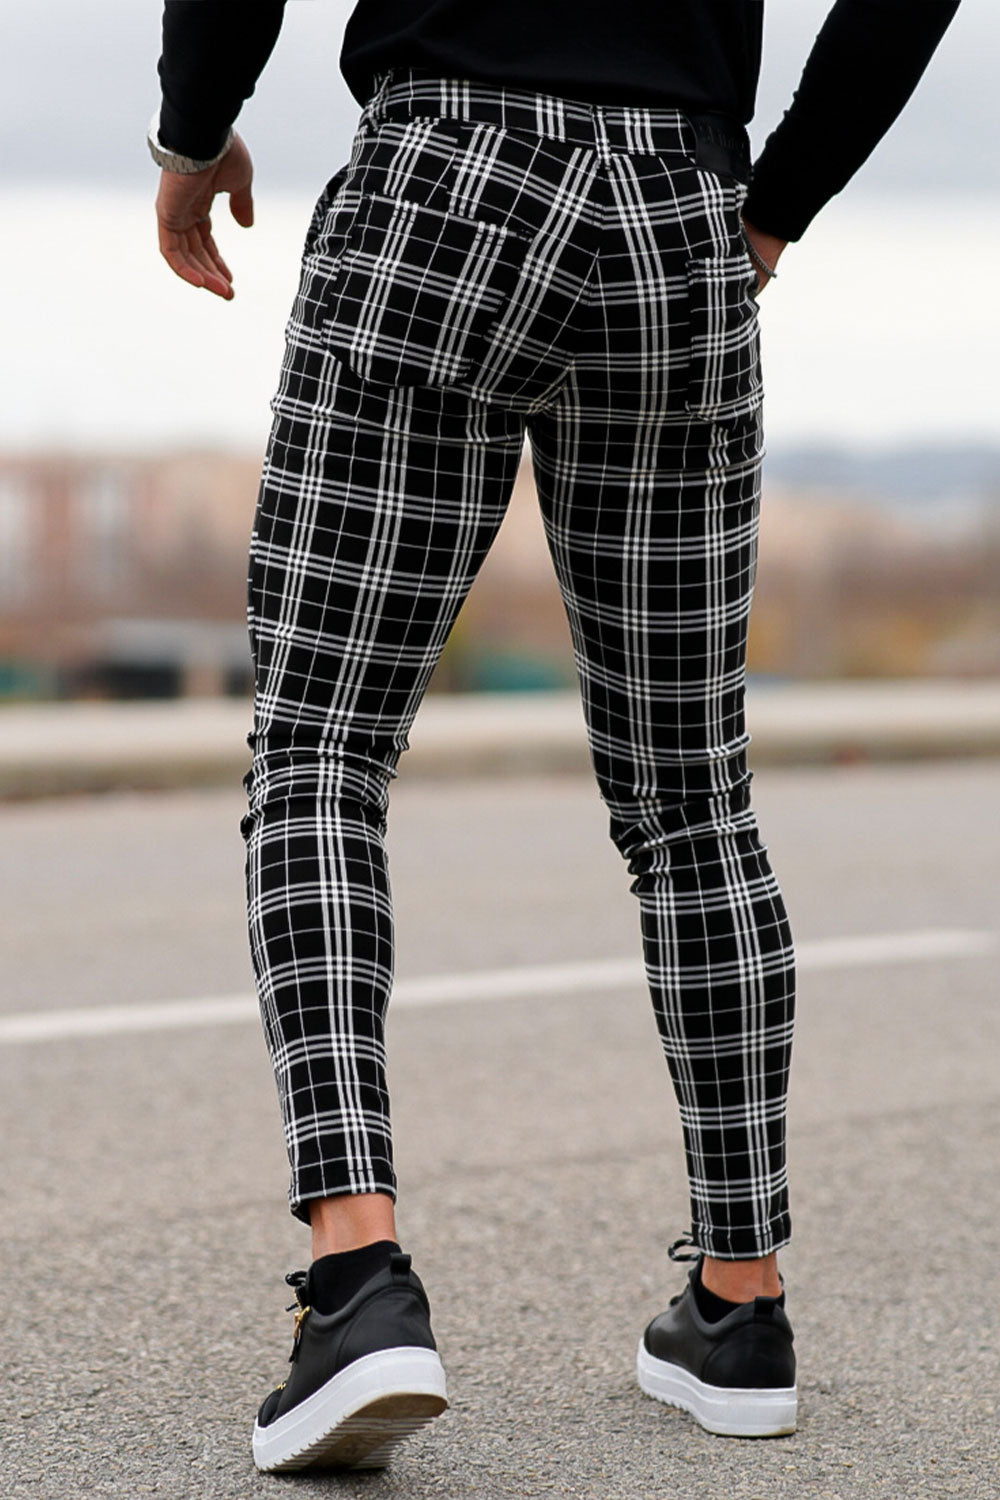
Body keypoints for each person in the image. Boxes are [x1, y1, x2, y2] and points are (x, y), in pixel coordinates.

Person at [151, 0, 960, 1472]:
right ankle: (742, 1303)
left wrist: (191, 132)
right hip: (678, 211)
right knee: (693, 802)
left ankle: (358, 1280)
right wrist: (777, 201)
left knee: (324, 751)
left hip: (442, 182)